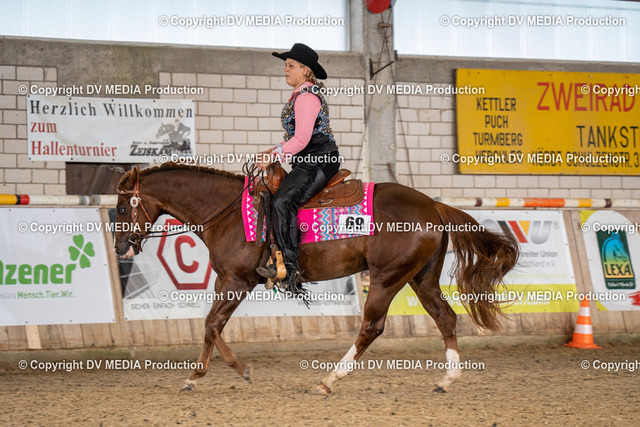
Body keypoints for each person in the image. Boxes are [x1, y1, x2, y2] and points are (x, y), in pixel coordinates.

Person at [255, 43, 341, 292]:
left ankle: (289, 268)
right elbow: (295, 138)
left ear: (304, 70)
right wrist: (272, 151)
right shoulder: (301, 96)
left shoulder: (306, 98)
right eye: (286, 65)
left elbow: (302, 139)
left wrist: (274, 157)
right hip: (309, 160)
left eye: (290, 65)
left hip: (319, 161)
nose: (285, 69)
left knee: (282, 201)